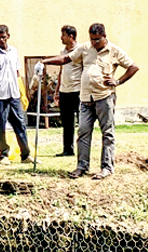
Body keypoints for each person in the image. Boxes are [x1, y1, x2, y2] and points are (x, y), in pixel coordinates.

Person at [41, 23, 138, 180]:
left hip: (104, 97)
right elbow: (66, 58)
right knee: (83, 132)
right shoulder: (86, 48)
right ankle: (82, 166)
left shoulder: (114, 51)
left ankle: (106, 167)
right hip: (86, 99)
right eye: (91, 39)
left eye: (97, 40)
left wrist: (118, 81)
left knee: (107, 133)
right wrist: (46, 61)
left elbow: (133, 67)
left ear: (104, 37)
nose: (93, 42)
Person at [0, 25, 32, 166]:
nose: (1, 40)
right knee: (1, 126)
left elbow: (17, 73)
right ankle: (3, 154)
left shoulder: (14, 51)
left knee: (20, 124)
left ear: (8, 36)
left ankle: (25, 154)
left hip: (13, 94)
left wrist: (22, 93)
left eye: (4, 37)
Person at [54, 26, 81, 157]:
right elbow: (61, 71)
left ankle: (82, 149)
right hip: (64, 91)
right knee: (67, 122)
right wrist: (57, 90)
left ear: (71, 36)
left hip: (78, 91)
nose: (61, 37)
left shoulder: (81, 50)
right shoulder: (63, 51)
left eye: (63, 35)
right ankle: (67, 149)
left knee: (82, 122)